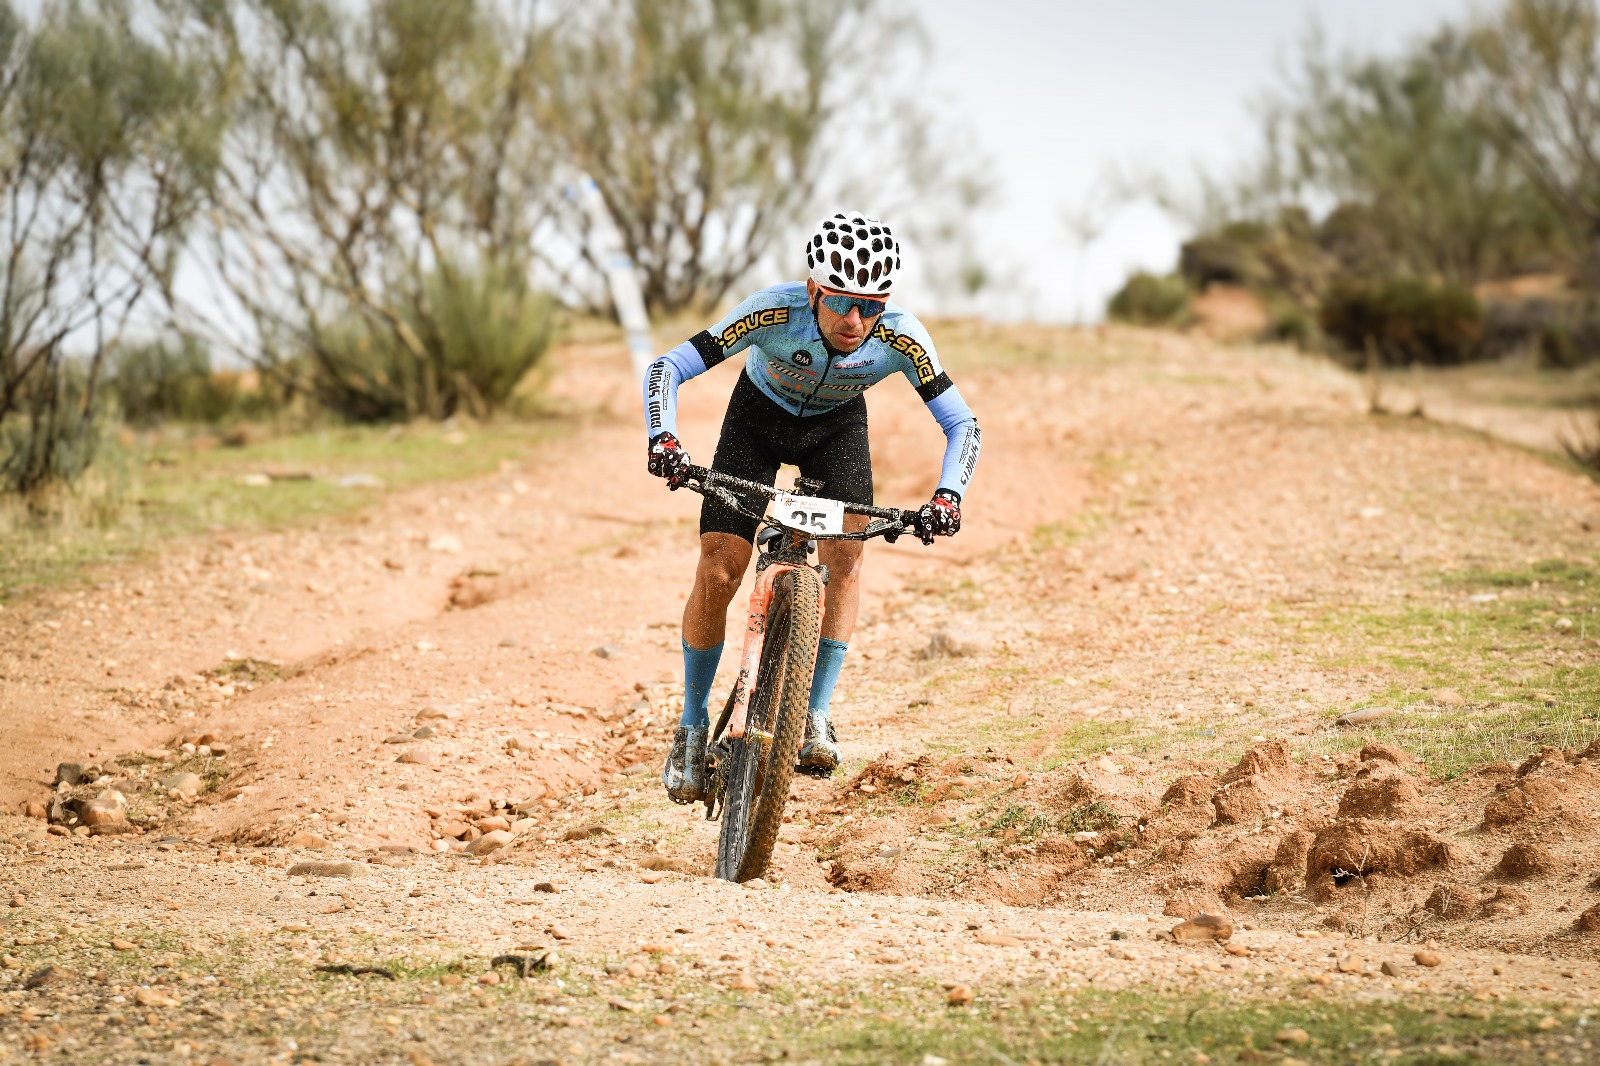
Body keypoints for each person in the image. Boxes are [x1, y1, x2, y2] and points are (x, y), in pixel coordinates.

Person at [642, 211, 981, 803]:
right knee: (721, 565)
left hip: (836, 430)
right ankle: (691, 727)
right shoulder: (771, 311)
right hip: (757, 420)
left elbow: (963, 424)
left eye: (872, 306)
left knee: (847, 561)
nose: (856, 322)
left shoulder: (901, 334)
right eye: (843, 303)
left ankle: (815, 715)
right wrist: (662, 438)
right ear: (813, 291)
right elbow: (665, 368)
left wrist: (948, 497)